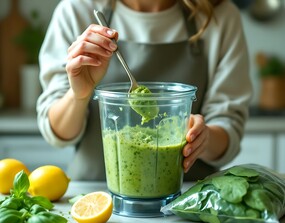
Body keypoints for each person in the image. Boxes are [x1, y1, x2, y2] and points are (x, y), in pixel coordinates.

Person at [37, 0, 252, 181]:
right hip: (96, 198)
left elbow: (228, 130)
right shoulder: (77, 10)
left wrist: (203, 137)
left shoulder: (219, 17)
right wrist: (79, 95)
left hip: (186, 201)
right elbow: (58, 133)